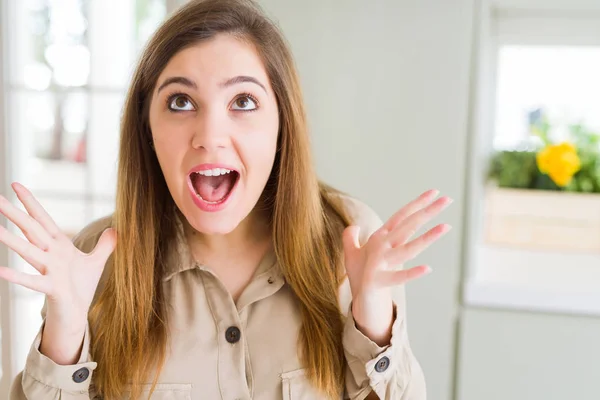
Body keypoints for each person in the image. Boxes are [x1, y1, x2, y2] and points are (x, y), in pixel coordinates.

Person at [1, 0, 452, 399]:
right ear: (147, 129)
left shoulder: (349, 239)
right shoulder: (98, 258)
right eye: (180, 102)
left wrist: (372, 320)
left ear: (282, 124)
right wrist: (63, 334)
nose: (211, 137)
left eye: (243, 101)